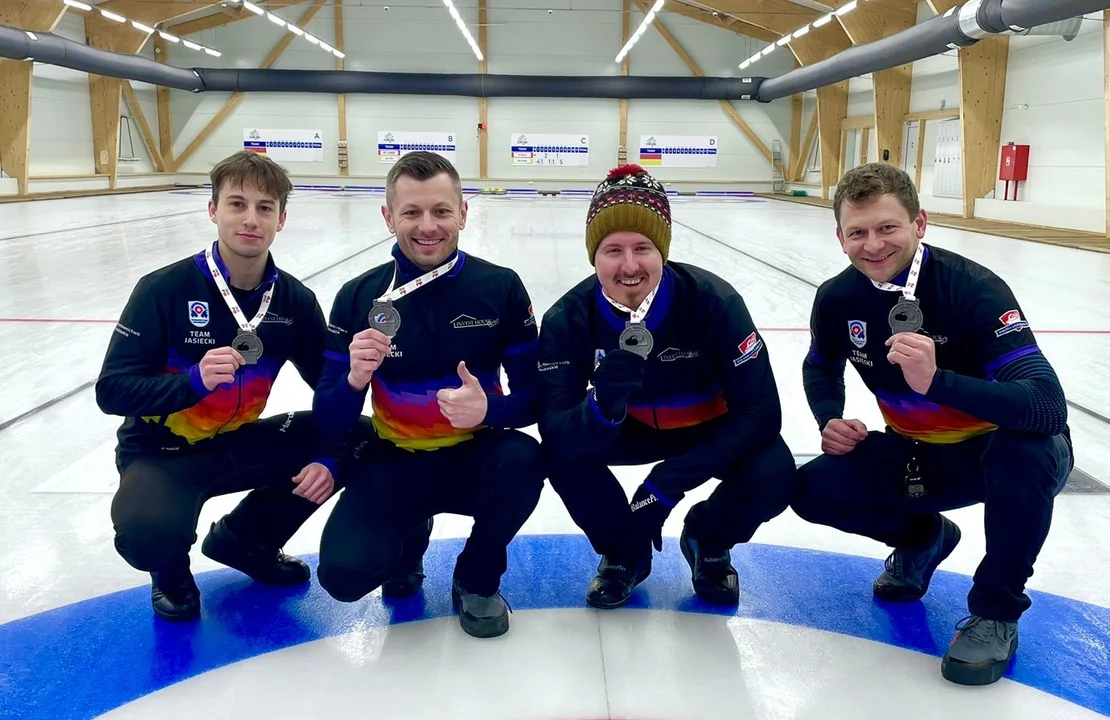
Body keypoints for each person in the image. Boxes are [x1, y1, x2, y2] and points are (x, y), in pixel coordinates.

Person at [794, 162, 1073, 686]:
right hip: (920, 453)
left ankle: (996, 612)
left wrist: (936, 382)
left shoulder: (974, 290)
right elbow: (820, 366)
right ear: (840, 237)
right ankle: (924, 538)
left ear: (920, 223)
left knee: (1027, 451)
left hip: (999, 454)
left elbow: (1046, 407)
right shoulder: (838, 299)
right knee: (811, 488)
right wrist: (829, 418)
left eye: (887, 227)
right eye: (858, 232)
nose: (873, 245)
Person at [536, 164, 798, 610]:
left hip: (708, 427)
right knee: (561, 456)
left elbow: (761, 414)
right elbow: (556, 425)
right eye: (612, 250)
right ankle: (624, 553)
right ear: (592, 256)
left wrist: (664, 484)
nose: (630, 265)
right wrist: (602, 406)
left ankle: (708, 539)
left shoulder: (715, 303)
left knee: (773, 469)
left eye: (643, 247)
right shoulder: (568, 318)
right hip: (629, 426)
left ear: (664, 250)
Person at [96, 151, 341, 621]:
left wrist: (338, 434)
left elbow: (328, 385)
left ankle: (246, 541)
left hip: (238, 442)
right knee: (145, 534)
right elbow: (112, 391)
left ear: (281, 219)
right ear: (214, 210)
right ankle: (169, 570)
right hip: (160, 450)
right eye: (237, 204)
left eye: (265, 208)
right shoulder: (162, 290)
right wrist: (192, 383)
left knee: (356, 438)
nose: (251, 219)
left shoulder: (293, 300)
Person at [310, 151, 545, 639]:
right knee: (343, 576)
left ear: (463, 212)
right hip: (392, 459)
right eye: (411, 212)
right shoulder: (359, 296)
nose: (427, 226)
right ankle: (408, 541)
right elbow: (330, 422)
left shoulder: (500, 288)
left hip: (474, 456)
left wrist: (490, 409)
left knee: (525, 459)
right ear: (388, 216)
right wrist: (353, 379)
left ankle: (477, 577)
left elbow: (536, 396)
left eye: (441, 211)